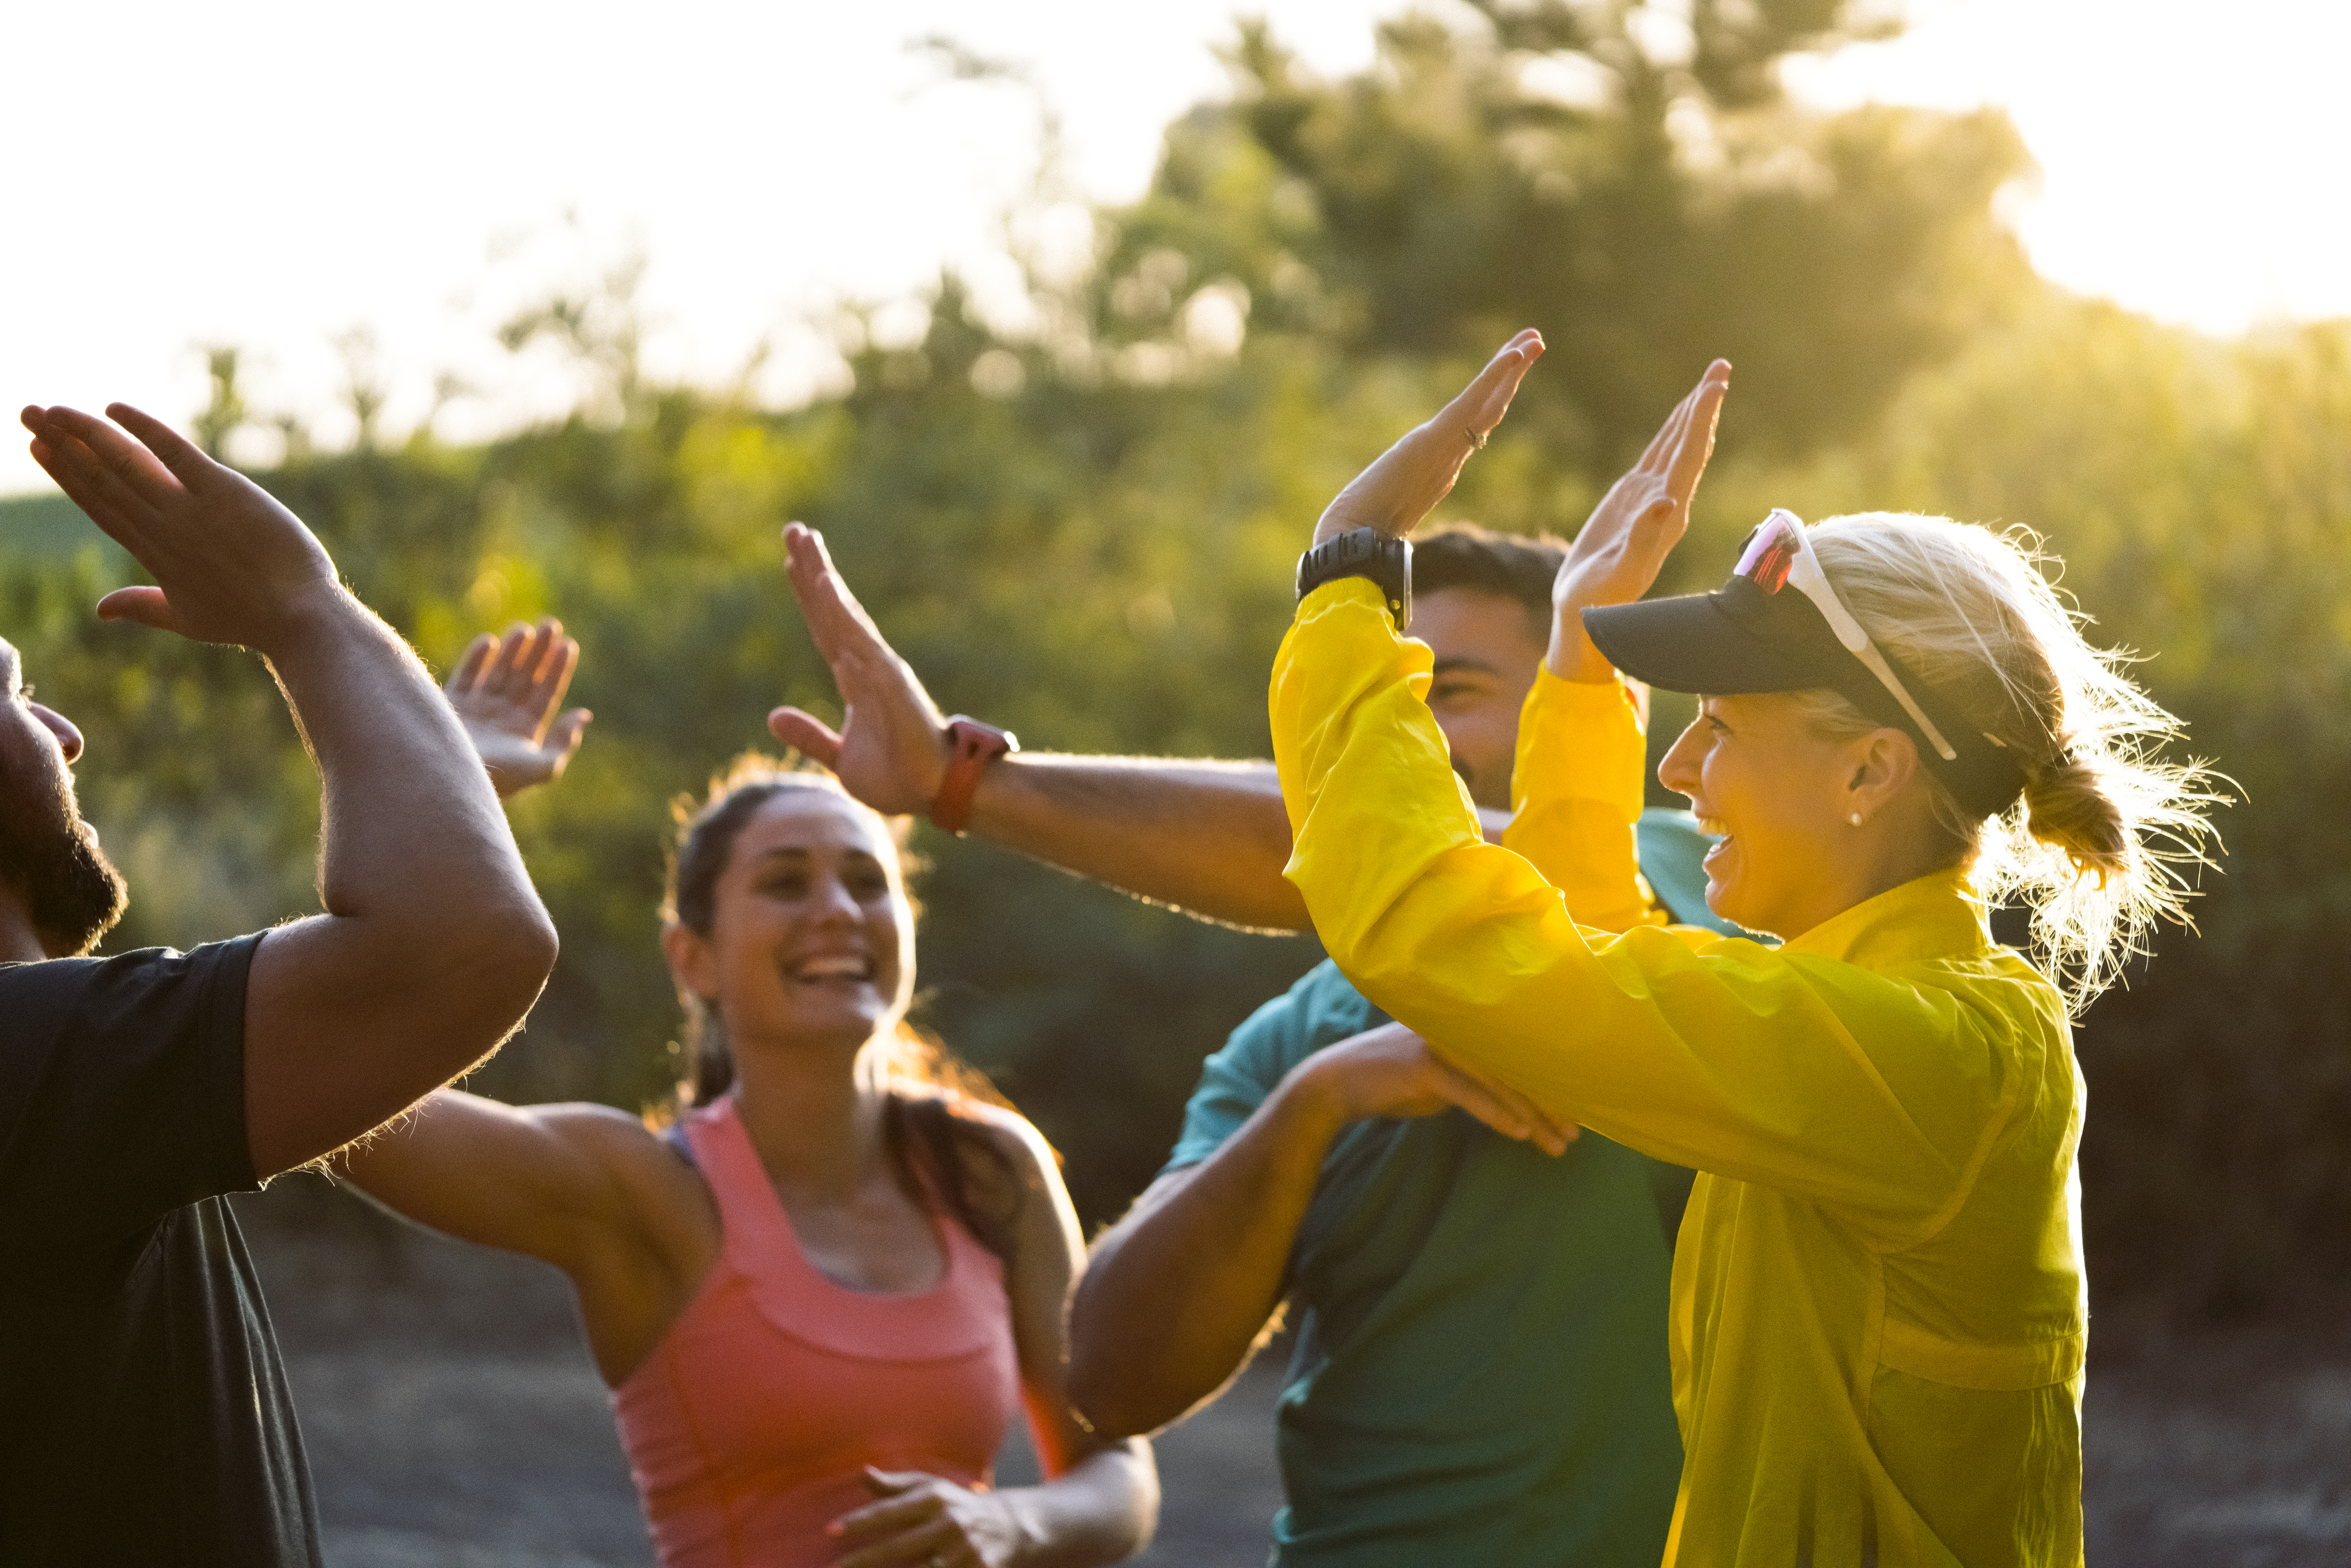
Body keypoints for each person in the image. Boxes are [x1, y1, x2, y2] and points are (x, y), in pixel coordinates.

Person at [1269, 331, 2217, 1564]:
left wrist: (1348, 579)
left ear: (1872, 768)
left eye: (1717, 727)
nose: (1679, 769)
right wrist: (1578, 657)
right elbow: (1596, 962)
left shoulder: (1946, 1054)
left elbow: (1460, 942)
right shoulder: (1858, 1010)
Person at [770, 519, 1741, 1564]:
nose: (1407, 738)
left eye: (1449, 691)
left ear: (1601, 704)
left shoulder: (1709, 893)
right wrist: (1310, 1110)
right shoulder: (1295, 1045)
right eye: (1382, 701)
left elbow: (1404, 849)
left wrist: (968, 784)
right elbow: (1110, 1380)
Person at [332, 622, 1156, 1568]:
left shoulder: (989, 1166)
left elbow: (1117, 1472)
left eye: (865, 882)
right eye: (785, 882)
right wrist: (447, 789)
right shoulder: (640, 1196)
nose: (837, 912)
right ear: (695, 959)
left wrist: (1012, 1523)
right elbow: (327, 1068)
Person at [3, 404, 559, 1564]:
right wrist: (299, 606)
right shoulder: (25, 1065)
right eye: (10, 690)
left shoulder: (57, 1071)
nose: (63, 731)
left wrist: (435, 771)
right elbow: (464, 947)